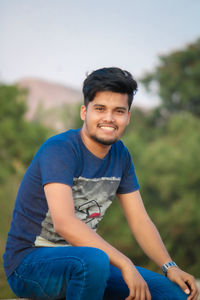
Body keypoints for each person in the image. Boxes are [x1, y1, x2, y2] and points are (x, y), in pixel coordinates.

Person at [3, 67, 199, 300]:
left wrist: (169, 266)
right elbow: (64, 223)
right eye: (100, 109)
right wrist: (125, 263)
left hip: (85, 263)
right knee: (95, 260)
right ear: (84, 112)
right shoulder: (60, 149)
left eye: (118, 111)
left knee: (174, 293)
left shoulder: (121, 156)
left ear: (128, 117)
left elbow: (140, 220)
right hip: (29, 263)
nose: (109, 118)